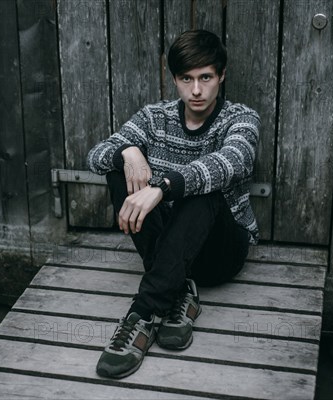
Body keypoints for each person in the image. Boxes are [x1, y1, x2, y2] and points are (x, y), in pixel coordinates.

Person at [87, 29, 260, 379]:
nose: (196, 90)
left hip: (220, 253)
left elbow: (232, 161)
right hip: (172, 246)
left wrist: (165, 186)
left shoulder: (241, 118)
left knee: (206, 189)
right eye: (186, 79)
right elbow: (95, 156)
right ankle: (179, 291)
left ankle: (143, 314)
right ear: (175, 80)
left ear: (221, 76)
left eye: (206, 78)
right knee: (117, 171)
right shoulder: (155, 118)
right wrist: (128, 151)